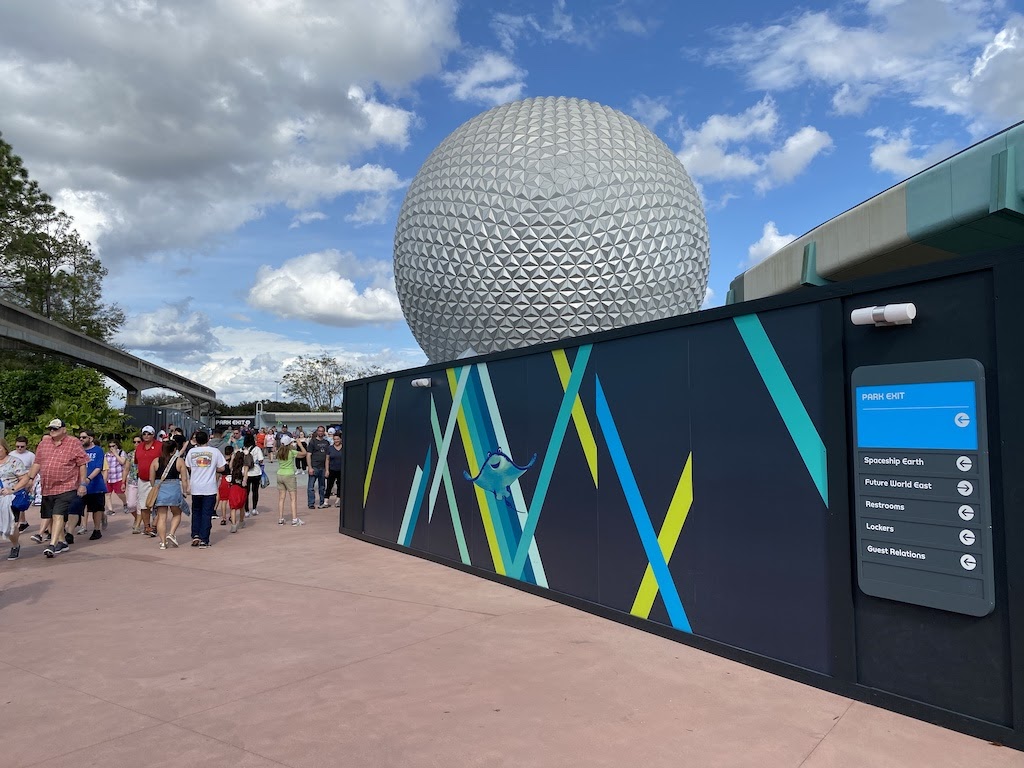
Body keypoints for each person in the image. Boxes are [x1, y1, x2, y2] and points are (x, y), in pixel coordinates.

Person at [27, 418, 87, 558]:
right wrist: (30, 479)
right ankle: (62, 541)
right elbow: (37, 462)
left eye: (55, 429)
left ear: (64, 430)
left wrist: (83, 484)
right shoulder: (44, 443)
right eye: (51, 429)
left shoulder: (73, 443)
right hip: (47, 487)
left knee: (58, 514)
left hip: (66, 485)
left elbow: (82, 464)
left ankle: (52, 545)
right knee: (52, 516)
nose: (52, 431)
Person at [184, 430, 225, 548]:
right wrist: (212, 468)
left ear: (196, 440)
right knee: (206, 514)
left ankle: (195, 535)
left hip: (196, 486)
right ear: (208, 439)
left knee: (196, 512)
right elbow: (222, 468)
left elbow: (188, 466)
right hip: (209, 487)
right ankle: (204, 539)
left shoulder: (191, 451)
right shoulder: (215, 451)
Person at [150, 440, 188, 550]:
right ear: (175, 449)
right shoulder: (179, 461)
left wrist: (155, 487)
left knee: (161, 516)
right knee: (177, 513)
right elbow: (184, 479)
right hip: (174, 489)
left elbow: (151, 479)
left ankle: (163, 542)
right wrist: (185, 491)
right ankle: (171, 533)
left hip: (160, 489)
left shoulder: (155, 461)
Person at [0, 437, 32, 560]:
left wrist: (12, 489)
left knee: (11, 526)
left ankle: (15, 545)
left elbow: (24, 478)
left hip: (10, 498)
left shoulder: (14, 461)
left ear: (5, 448)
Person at [76, 429, 108, 539]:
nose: (81, 439)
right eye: (80, 437)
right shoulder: (78, 451)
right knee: (79, 507)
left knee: (96, 509)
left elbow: (98, 467)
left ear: (91, 438)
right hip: (81, 485)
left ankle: (96, 529)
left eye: (84, 437)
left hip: (95, 484)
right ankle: (82, 526)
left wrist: (88, 478)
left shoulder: (98, 450)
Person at [134, 426, 162, 537]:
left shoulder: (160, 446)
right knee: (144, 504)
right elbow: (136, 462)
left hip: (157, 480)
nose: (146, 435)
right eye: (144, 433)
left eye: (149, 433)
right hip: (143, 479)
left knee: (159, 504)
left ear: (153, 435)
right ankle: (147, 527)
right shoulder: (139, 447)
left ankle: (154, 526)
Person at [276, 434, 306, 526]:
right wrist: (300, 445)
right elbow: (304, 453)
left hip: (280, 474)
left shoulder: (279, 452)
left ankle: (280, 518)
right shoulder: (291, 452)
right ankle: (294, 519)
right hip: (289, 475)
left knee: (281, 498)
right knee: (293, 498)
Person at [11, 435, 34, 532]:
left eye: (22, 446)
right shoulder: (11, 454)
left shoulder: (31, 455)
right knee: (14, 503)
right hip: (12, 482)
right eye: (17, 446)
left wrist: (31, 481)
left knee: (20, 502)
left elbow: (34, 469)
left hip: (25, 481)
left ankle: (19, 522)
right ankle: (22, 522)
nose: (19, 448)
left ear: (26, 446)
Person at [306, 425, 329, 509]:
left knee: (322, 487)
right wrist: (310, 467)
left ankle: (322, 502)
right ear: (317, 432)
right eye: (319, 431)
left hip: (323, 468)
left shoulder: (326, 443)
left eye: (322, 431)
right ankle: (311, 503)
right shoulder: (312, 442)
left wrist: (327, 469)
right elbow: (308, 455)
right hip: (314, 467)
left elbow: (327, 457)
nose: (320, 432)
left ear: (324, 432)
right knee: (311, 487)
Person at [241, 433, 264, 516]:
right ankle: (254, 508)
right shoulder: (257, 449)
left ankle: (246, 511)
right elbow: (261, 460)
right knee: (255, 491)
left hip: (245, 473)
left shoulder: (242, 449)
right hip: (256, 472)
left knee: (246, 492)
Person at [104, 438, 128, 516]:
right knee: (107, 494)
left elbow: (122, 462)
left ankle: (125, 503)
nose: (111, 448)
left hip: (118, 477)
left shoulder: (121, 452)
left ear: (117, 445)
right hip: (109, 477)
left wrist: (115, 453)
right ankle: (110, 509)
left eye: (113, 446)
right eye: (110, 446)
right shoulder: (106, 455)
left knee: (119, 493)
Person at [227, 451, 248, 533]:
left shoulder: (233, 466)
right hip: (241, 489)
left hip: (233, 488)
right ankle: (241, 522)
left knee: (233, 507)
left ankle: (233, 525)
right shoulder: (244, 467)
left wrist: (232, 458)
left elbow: (229, 466)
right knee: (242, 506)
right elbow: (245, 477)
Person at [126, 435, 142, 532]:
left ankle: (138, 525)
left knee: (141, 504)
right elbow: (126, 468)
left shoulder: (146, 453)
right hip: (132, 481)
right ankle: (137, 518)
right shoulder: (130, 455)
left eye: (138, 442)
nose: (136, 444)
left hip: (143, 481)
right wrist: (123, 481)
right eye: (134, 442)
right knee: (131, 505)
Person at [326, 432, 344, 507]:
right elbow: (327, 459)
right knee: (329, 485)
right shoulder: (330, 448)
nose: (336, 441)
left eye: (337, 439)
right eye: (335, 439)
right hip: (332, 469)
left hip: (341, 470)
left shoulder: (344, 447)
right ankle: (326, 501)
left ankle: (337, 501)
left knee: (340, 486)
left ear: (340, 439)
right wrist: (327, 470)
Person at [217, 445, 234, 524]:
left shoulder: (222, 460)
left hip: (223, 479)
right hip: (230, 479)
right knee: (231, 499)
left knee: (223, 500)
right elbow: (231, 467)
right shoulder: (232, 460)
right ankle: (231, 515)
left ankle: (224, 518)